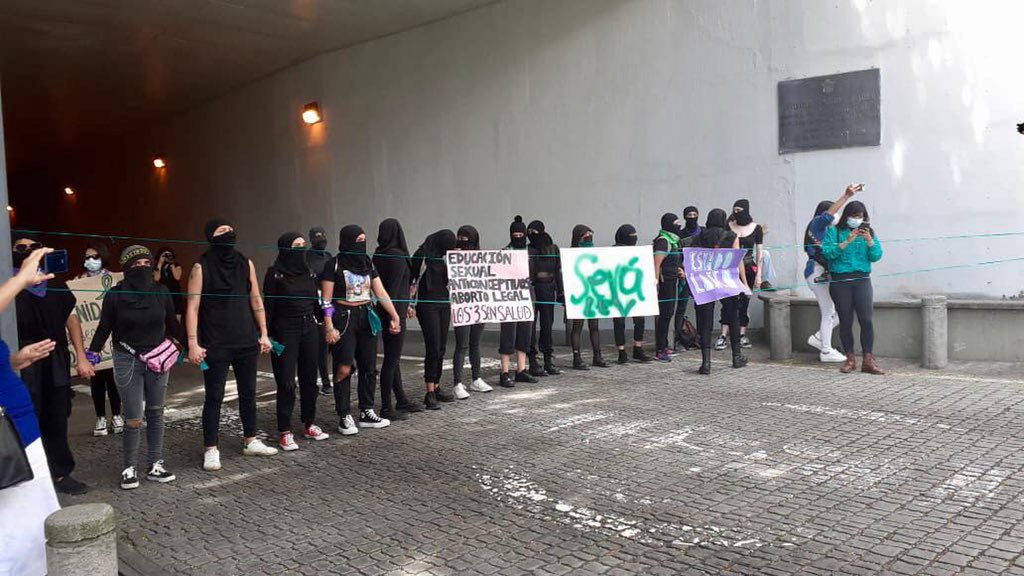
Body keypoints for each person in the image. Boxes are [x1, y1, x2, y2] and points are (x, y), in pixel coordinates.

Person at [88, 245, 186, 489]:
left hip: (157, 359)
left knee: (156, 411)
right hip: (127, 359)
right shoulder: (115, 295)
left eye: (146, 263)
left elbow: (172, 324)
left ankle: (155, 464)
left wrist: (192, 344)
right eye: (136, 264)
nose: (142, 268)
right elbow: (104, 327)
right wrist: (92, 353)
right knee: (133, 416)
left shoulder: (162, 292)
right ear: (126, 268)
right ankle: (129, 467)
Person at [187, 219, 278, 472]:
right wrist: (193, 344)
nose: (227, 234)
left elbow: (256, 298)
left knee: (248, 393)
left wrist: (264, 333)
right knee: (214, 397)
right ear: (211, 237)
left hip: (246, 339)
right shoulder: (201, 266)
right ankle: (211, 448)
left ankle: (251, 440)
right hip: (215, 342)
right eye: (221, 231)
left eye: (229, 230)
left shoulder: (245, 262)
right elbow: (192, 307)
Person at [13, 235, 95, 495]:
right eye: (21, 248)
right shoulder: (9, 284)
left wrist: (81, 356)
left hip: (55, 357)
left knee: (57, 415)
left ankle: (60, 473)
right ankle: (28, 476)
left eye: (33, 247)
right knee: (26, 416)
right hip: (23, 361)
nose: (28, 251)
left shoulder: (54, 282)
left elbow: (72, 319)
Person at [0, 247, 62, 576]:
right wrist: (21, 280)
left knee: (35, 529)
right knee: (20, 539)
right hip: (9, 436)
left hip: (17, 427)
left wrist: (13, 361)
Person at [322, 225, 402, 432]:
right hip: (343, 317)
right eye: (358, 240)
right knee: (344, 367)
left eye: (364, 240)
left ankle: (367, 410)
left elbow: (380, 291)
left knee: (369, 367)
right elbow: (326, 300)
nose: (362, 244)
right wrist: (329, 326)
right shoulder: (333, 265)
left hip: (367, 315)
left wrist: (394, 315)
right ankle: (344, 414)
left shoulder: (367, 262)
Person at [263, 233, 330, 452]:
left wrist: (328, 322)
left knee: (310, 379)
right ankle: (284, 431)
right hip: (284, 331)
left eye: (303, 245)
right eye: (296, 246)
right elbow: (268, 307)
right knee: (286, 382)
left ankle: (309, 423)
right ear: (285, 249)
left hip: (309, 328)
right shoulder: (274, 274)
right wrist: (265, 334)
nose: (301, 249)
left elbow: (317, 303)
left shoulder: (309, 272)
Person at [822, 200, 884, 375]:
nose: (857, 219)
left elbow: (876, 256)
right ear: (846, 216)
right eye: (854, 216)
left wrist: (870, 241)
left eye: (860, 216)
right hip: (840, 280)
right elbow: (827, 253)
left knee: (866, 320)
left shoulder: (869, 233)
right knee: (846, 320)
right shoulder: (835, 232)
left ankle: (868, 360)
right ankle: (850, 359)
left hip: (862, 279)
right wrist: (846, 242)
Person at [804, 185, 861, 363]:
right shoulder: (817, 224)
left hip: (825, 273)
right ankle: (826, 351)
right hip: (816, 272)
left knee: (841, 310)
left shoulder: (829, 231)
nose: (836, 216)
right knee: (829, 311)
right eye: (834, 212)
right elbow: (827, 216)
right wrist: (846, 196)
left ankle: (819, 338)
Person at [373, 219, 423, 420]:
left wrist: (405, 305)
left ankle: (401, 398)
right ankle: (387, 407)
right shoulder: (397, 256)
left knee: (392, 358)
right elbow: (395, 288)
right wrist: (395, 316)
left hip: (386, 309)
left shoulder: (379, 254)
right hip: (394, 312)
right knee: (391, 360)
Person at [76, 242, 123, 437]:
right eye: (87, 257)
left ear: (102, 257)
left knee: (113, 379)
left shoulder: (113, 280)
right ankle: (101, 417)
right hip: (90, 340)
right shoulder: (78, 282)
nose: (90, 260)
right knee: (96, 381)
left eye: (94, 257)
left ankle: (117, 415)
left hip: (111, 338)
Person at [694, 209, 748, 374]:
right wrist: (744, 283)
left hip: (706, 282)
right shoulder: (731, 236)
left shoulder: (699, 236)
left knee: (705, 322)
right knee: (732, 318)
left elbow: (693, 259)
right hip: (726, 281)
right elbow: (737, 261)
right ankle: (736, 357)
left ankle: (706, 363)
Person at [410, 229, 458, 410]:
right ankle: (429, 391)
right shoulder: (421, 255)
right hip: (427, 305)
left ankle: (436, 385)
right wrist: (410, 304)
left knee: (441, 347)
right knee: (433, 346)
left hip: (443, 303)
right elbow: (412, 280)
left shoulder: (445, 257)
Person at [451, 225, 493, 396]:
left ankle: (476, 378)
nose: (462, 242)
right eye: (459, 238)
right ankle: (457, 383)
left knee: (475, 343)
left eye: (466, 239)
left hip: (479, 305)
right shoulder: (453, 257)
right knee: (462, 344)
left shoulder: (481, 258)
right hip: (462, 306)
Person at [715, 199, 762, 351]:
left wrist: (759, 275)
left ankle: (742, 334)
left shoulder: (756, 228)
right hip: (729, 268)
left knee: (744, 302)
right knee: (727, 302)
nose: (737, 213)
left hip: (748, 267)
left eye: (739, 210)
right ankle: (723, 335)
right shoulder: (728, 226)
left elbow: (759, 252)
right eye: (735, 210)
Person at [498, 216, 537, 388]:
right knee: (508, 332)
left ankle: (521, 369)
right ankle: (504, 372)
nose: (518, 237)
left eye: (521, 234)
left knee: (525, 332)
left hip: (527, 295)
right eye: (515, 235)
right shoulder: (504, 252)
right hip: (509, 296)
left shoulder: (530, 252)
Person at [568, 224, 609, 370]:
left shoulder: (594, 253)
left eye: (590, 234)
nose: (589, 237)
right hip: (579, 293)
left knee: (594, 326)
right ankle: (577, 358)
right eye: (585, 235)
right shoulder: (571, 255)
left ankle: (597, 356)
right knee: (577, 327)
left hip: (593, 292)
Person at [611, 224, 652, 364]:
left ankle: (637, 348)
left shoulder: (637, 252)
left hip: (635, 289)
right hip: (618, 290)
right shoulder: (612, 252)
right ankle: (622, 351)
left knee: (639, 319)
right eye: (631, 236)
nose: (634, 239)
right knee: (619, 321)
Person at [527, 220, 562, 377]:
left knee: (547, 325)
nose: (531, 235)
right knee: (530, 326)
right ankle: (532, 360)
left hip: (547, 289)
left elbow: (558, 270)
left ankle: (548, 359)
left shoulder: (553, 248)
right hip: (532, 290)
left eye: (534, 232)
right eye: (529, 232)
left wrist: (561, 292)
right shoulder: (528, 249)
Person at [306, 227, 334, 396]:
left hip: (329, 302)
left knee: (333, 342)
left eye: (323, 236)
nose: (322, 239)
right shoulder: (306, 258)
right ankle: (325, 382)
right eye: (317, 237)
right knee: (322, 344)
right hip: (314, 305)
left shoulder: (328, 256)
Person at [652, 213, 684, 362]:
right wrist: (655, 283)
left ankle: (665, 346)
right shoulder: (663, 241)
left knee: (668, 314)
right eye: (676, 223)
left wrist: (679, 270)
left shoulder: (674, 242)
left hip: (672, 281)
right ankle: (660, 349)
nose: (679, 226)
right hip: (664, 283)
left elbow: (672, 261)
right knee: (664, 316)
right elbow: (657, 264)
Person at [673, 206, 702, 352]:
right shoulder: (680, 234)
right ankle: (679, 338)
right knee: (681, 307)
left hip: (700, 276)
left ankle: (701, 337)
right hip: (684, 276)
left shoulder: (703, 232)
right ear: (685, 217)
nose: (692, 217)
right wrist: (680, 269)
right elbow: (676, 255)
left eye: (694, 214)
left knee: (701, 307)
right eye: (689, 215)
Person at [154, 246, 185, 323]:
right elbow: (156, 279)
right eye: (165, 255)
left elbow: (177, 277)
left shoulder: (176, 265)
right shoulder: (157, 266)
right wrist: (160, 263)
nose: (167, 257)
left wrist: (172, 264)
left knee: (177, 312)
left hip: (174, 292)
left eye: (169, 255)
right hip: (162, 292)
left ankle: (177, 328)